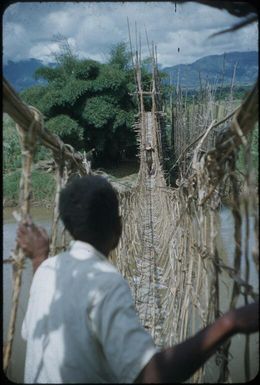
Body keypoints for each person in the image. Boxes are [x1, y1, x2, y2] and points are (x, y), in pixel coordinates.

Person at [17, 175, 258, 383]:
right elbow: (151, 376)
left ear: (68, 228)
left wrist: (39, 256)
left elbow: (32, 330)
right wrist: (229, 323)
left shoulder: (47, 270)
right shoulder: (107, 282)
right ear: (119, 227)